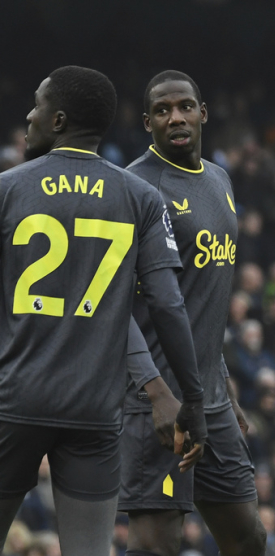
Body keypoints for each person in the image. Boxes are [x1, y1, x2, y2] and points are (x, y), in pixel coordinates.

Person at [0, 66, 206, 556]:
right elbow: (166, 304)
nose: (29, 114)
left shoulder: (8, 188)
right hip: (92, 413)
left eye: (37, 104)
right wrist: (190, 398)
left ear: (58, 121)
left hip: (13, 402)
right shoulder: (140, 196)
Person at [118, 70, 265, 556]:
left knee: (248, 537)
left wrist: (221, 384)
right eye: (162, 110)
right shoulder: (136, 188)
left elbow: (204, 297)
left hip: (209, 397)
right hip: (155, 399)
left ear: (203, 113)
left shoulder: (219, 179)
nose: (175, 117)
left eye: (184, 106)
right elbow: (116, 309)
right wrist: (154, 393)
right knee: (157, 545)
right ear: (147, 122)